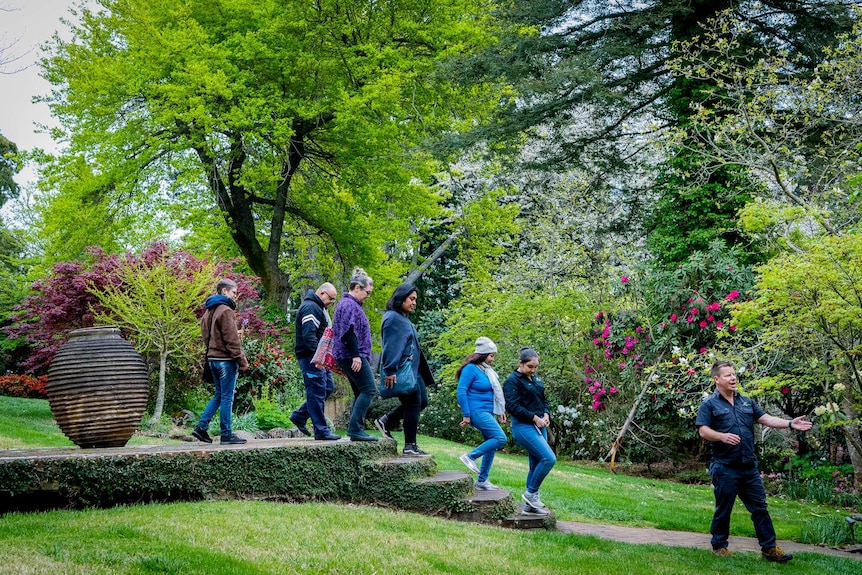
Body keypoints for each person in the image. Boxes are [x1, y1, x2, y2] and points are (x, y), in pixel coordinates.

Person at [696, 360, 813, 562]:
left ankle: (769, 549)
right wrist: (721, 436)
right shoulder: (709, 404)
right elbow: (703, 430)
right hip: (725, 466)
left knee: (760, 508)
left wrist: (790, 424)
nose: (733, 378)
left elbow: (766, 419)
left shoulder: (746, 402)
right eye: (728, 375)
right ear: (716, 379)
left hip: (748, 467)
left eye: (734, 374)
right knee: (724, 508)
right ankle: (719, 546)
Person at [375, 283, 434, 457]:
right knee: (414, 402)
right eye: (411, 299)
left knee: (422, 401)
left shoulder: (402, 318)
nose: (414, 302)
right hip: (402, 370)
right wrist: (391, 370)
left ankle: (385, 420)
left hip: (414, 371)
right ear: (400, 298)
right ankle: (410, 446)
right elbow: (391, 346)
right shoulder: (393, 318)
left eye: (415, 299)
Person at [192, 278, 250, 445]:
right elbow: (231, 340)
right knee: (227, 397)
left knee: (219, 395)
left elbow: (209, 336)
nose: (235, 297)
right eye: (233, 293)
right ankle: (226, 434)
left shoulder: (208, 312)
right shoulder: (225, 310)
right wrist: (242, 360)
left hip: (212, 359)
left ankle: (201, 427)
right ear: (224, 291)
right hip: (225, 360)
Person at [503, 347, 555, 515]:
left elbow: (544, 400)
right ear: (521, 363)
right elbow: (512, 406)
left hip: (541, 424)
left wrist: (546, 414)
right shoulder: (512, 381)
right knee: (548, 459)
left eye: (535, 367)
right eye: (530, 366)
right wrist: (534, 417)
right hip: (523, 426)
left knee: (535, 465)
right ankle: (531, 493)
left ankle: (529, 507)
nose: (533, 370)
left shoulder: (535, 379)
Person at [289, 282, 341, 441]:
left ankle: (299, 416)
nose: (331, 302)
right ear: (322, 294)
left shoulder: (319, 308)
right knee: (317, 391)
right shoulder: (311, 308)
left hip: (320, 358)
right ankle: (321, 430)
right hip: (311, 357)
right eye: (330, 298)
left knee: (327, 388)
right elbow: (309, 335)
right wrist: (317, 358)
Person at [332, 268, 378, 442]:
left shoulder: (351, 305)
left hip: (351, 354)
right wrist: (356, 356)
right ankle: (355, 429)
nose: (368, 295)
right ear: (357, 288)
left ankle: (355, 428)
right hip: (350, 354)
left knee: (360, 390)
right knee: (369, 389)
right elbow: (348, 332)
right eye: (367, 292)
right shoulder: (348, 304)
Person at [456, 336, 508, 490]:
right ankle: (470, 456)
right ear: (483, 354)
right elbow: (461, 391)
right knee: (500, 438)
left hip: (487, 411)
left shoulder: (486, 371)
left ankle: (482, 481)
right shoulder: (470, 369)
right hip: (476, 411)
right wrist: (466, 415)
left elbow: (494, 393)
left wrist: (500, 411)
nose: (493, 359)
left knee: (491, 443)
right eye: (491, 356)